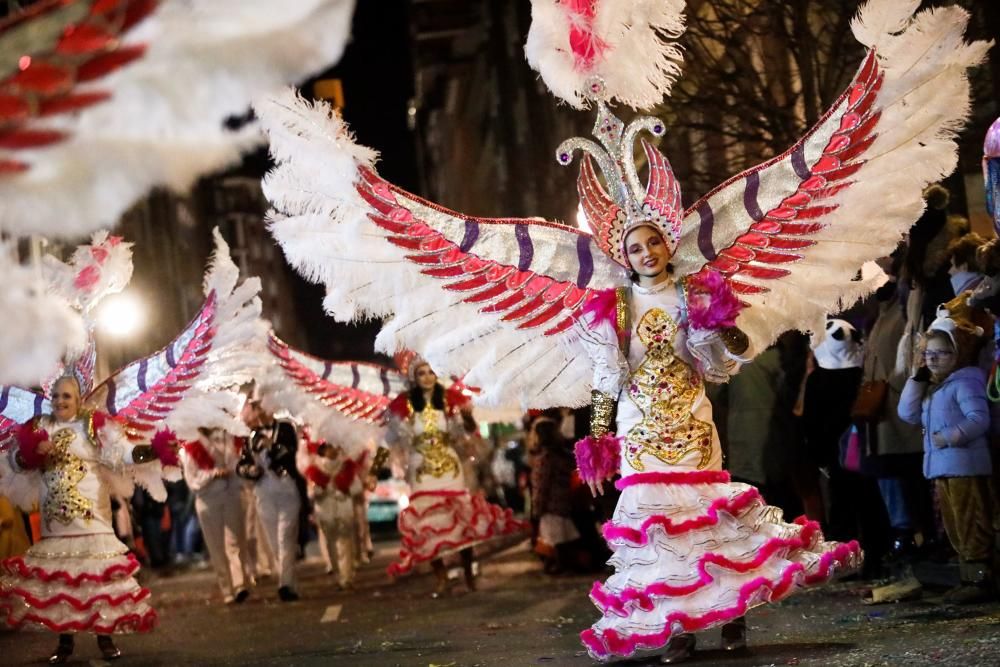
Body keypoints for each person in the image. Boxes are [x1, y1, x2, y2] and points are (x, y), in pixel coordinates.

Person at [575, 224, 861, 663]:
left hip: (692, 427)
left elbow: (739, 352)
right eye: (635, 248)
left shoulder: (696, 292)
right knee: (656, 537)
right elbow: (603, 382)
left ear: (669, 244)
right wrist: (596, 442)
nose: (647, 253)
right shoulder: (614, 308)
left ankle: (732, 615)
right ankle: (678, 629)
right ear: (624, 257)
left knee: (710, 526)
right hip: (640, 435)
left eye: (653, 242)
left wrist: (722, 323)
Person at [0, 376, 177, 663]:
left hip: (92, 520)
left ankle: (104, 638)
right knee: (62, 586)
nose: (59, 401)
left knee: (97, 582)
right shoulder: (39, 427)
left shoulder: (93, 425)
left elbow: (122, 454)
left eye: (66, 396)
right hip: (56, 526)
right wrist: (31, 453)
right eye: (55, 396)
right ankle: (65, 642)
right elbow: (13, 463)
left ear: (79, 399)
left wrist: (154, 449)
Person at [381, 360, 527, 597]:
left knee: (460, 522)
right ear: (414, 378)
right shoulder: (405, 405)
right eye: (421, 373)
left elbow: (467, 432)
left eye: (431, 372)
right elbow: (388, 440)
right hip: (421, 469)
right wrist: (371, 471)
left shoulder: (450, 401)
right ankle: (441, 579)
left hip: (450, 469)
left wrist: (468, 419)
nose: (427, 377)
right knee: (428, 524)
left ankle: (468, 573)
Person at [898, 308, 996, 603]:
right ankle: (969, 577)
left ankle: (981, 580)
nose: (933, 359)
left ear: (957, 353)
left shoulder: (965, 381)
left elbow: (979, 419)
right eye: (928, 353)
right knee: (955, 526)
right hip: (943, 466)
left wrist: (947, 437)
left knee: (971, 523)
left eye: (941, 353)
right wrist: (916, 378)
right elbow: (907, 413)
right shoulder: (935, 387)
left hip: (964, 464)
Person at [237, 402, 302, 602]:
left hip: (286, 487)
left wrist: (271, 446)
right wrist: (251, 471)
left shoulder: (285, 428)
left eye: (263, 407)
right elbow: (241, 465)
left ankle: (285, 584)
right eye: (256, 408)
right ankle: (285, 579)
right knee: (274, 541)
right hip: (264, 491)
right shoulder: (250, 438)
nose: (260, 413)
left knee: (286, 537)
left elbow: (290, 452)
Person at [180, 428, 249, 604]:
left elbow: (235, 463)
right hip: (208, 499)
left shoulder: (227, 436)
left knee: (235, 540)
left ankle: (240, 583)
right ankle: (227, 589)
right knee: (216, 546)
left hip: (230, 494)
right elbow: (192, 479)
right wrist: (213, 474)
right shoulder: (190, 445)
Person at [298, 435, 359, 589]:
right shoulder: (315, 469)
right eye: (328, 448)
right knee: (331, 545)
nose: (332, 451)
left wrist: (345, 490)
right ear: (322, 451)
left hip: (343, 510)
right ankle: (338, 573)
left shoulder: (346, 466)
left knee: (345, 543)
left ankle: (346, 577)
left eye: (334, 447)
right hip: (325, 512)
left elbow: (356, 487)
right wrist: (319, 489)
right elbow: (311, 492)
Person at [529, 412, 579, 574]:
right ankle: (563, 565)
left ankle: (559, 566)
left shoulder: (545, 458)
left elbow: (541, 486)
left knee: (554, 539)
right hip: (564, 502)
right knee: (563, 537)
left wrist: (536, 508)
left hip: (550, 505)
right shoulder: (563, 455)